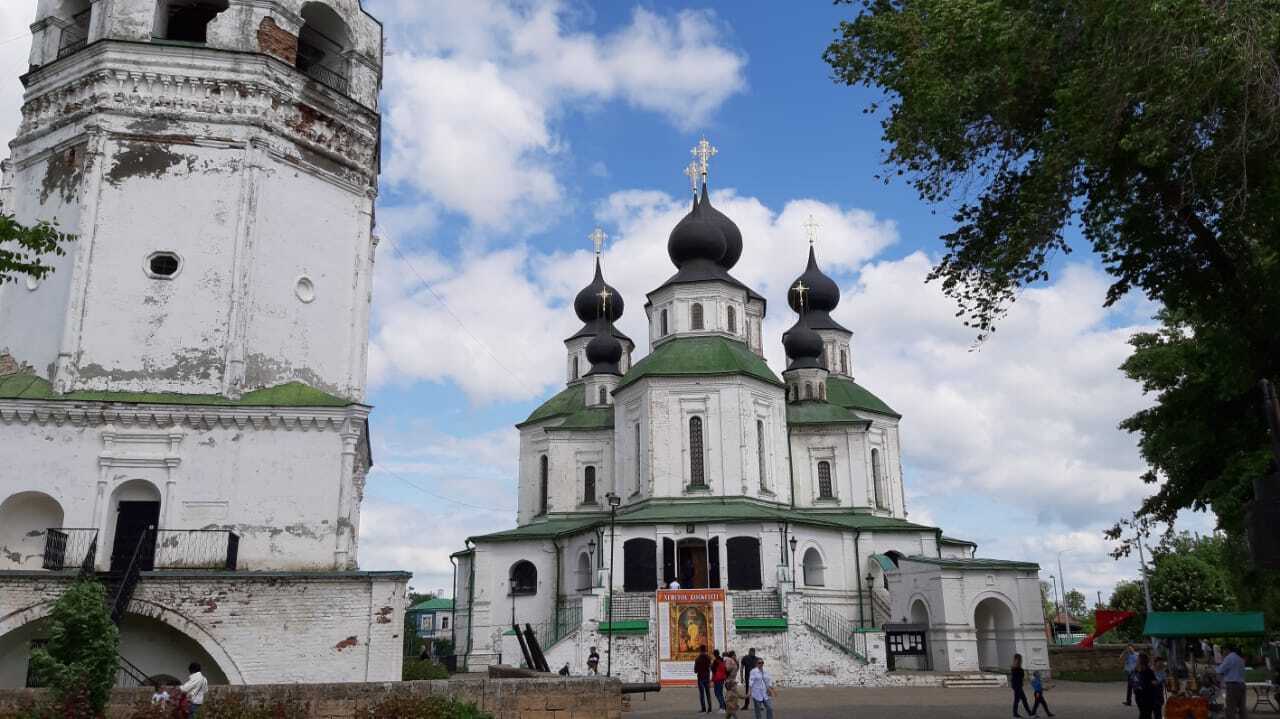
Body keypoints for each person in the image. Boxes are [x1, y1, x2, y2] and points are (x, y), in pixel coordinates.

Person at [1217, 645, 1248, 719]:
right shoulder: (1240, 658)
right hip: (1242, 684)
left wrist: (1216, 668)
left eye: (1223, 651)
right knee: (1242, 707)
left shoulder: (1229, 657)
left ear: (1227, 650)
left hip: (1233, 685)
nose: (1222, 653)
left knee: (1231, 707)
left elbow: (1220, 670)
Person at [1135, 653, 1158, 719]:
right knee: (1144, 713)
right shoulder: (1137, 671)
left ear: (1141, 661)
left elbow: (1154, 682)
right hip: (1140, 696)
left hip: (1147, 697)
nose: (1136, 660)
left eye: (1138, 659)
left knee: (1145, 714)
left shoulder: (1148, 671)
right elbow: (1134, 681)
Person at [1010, 653, 1033, 717]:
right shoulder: (1018, 669)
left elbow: (1018, 677)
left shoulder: (1014, 668)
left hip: (1016, 685)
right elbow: (1021, 677)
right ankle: (1029, 713)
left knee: (1021, 699)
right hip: (1018, 686)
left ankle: (1028, 713)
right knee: (1020, 700)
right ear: (1019, 660)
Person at [694, 644, 713, 713]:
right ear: (705, 650)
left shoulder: (697, 659)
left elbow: (695, 671)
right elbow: (710, 668)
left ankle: (703, 708)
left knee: (702, 694)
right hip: (707, 677)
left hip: (700, 678)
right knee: (708, 693)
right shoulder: (708, 658)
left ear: (700, 650)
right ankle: (710, 708)